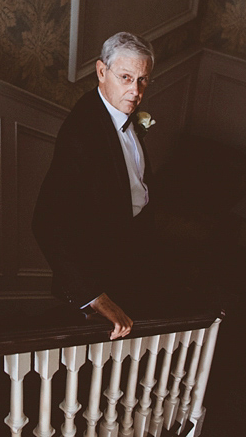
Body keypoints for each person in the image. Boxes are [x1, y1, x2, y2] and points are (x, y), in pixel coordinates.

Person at [32, 31, 156, 340]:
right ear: (102, 72)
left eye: (142, 80)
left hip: (134, 252)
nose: (135, 91)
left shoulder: (121, 112)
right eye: (125, 77)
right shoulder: (82, 134)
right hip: (100, 271)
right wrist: (95, 297)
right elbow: (46, 223)